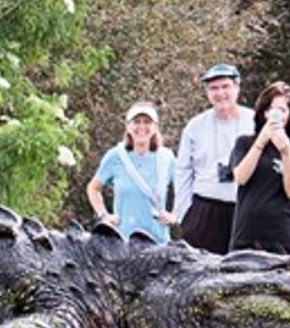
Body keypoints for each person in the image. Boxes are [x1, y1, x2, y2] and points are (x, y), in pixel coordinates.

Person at [174, 63, 256, 253]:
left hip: (245, 209)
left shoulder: (254, 122)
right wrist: (184, 214)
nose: (220, 93)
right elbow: (183, 171)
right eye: (214, 88)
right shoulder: (196, 126)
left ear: (237, 87)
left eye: (225, 86)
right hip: (205, 209)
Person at [228, 81, 290, 253]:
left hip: (281, 235)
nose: (276, 115)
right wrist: (260, 143)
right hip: (246, 233)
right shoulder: (244, 143)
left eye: (282, 110)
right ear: (263, 112)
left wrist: (286, 152)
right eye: (271, 109)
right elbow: (240, 177)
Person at [86, 101, 176, 243]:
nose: (141, 127)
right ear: (128, 126)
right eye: (136, 122)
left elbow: (185, 189)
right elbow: (93, 188)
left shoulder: (167, 158)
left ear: (155, 127)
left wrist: (175, 215)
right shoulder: (115, 156)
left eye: (147, 122)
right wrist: (104, 215)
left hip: (159, 242)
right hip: (123, 242)